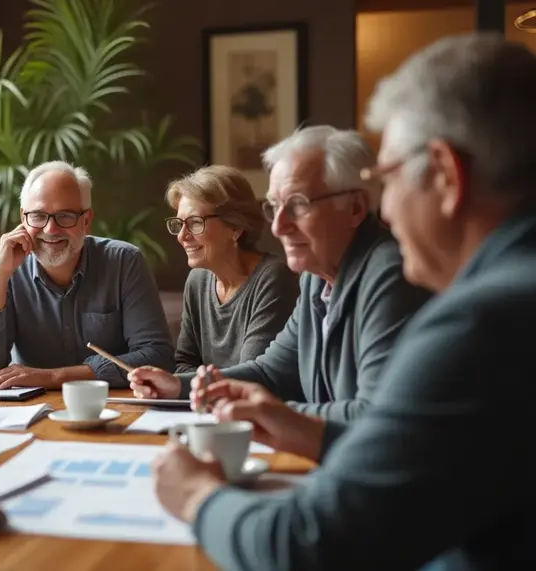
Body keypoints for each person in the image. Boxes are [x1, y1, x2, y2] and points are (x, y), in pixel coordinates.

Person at [153, 33, 536, 570]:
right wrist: (252, 398)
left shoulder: (483, 323)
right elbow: (280, 369)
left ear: (447, 176)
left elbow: (308, 545)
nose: (388, 209)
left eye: (389, 178)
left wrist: (195, 496)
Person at [129, 126, 431, 421]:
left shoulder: (390, 275)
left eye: (298, 205)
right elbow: (272, 372)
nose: (278, 226)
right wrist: (178, 386)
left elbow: (372, 416)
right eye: (275, 206)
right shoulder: (316, 277)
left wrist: (271, 412)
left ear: (355, 208)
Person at [0, 160, 174, 389]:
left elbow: (158, 357)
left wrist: (55, 377)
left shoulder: (124, 262)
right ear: (23, 219)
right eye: (39, 216)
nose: (51, 229)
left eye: (65, 216)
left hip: (111, 409)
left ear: (86, 221)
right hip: (27, 414)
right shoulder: (5, 272)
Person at [162, 165, 298, 373]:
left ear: (235, 227)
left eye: (195, 223)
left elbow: (253, 374)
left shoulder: (274, 279)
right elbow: (184, 363)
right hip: (206, 404)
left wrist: (178, 385)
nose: (182, 236)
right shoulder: (197, 280)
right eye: (179, 224)